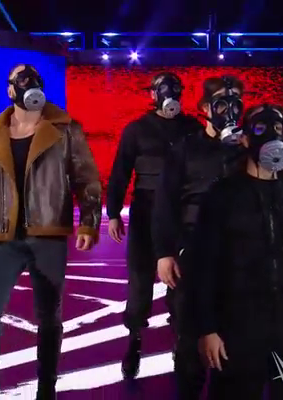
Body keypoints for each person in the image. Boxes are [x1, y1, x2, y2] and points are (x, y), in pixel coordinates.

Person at [0, 63, 102, 399]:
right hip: (3, 236)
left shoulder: (65, 128)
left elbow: (86, 177)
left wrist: (89, 221)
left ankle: (46, 386)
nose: (29, 84)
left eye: (33, 78)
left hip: (48, 232)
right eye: (21, 79)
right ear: (10, 89)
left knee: (48, 316)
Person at [190, 104, 283, 399]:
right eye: (260, 130)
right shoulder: (222, 196)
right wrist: (206, 328)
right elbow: (203, 267)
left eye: (278, 130)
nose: (271, 137)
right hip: (238, 325)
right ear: (245, 139)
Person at [151, 75, 246, 398]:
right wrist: (164, 253)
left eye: (235, 103)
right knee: (190, 349)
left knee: (234, 349)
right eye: (221, 103)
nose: (229, 110)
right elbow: (164, 203)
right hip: (192, 258)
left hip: (238, 262)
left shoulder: (248, 152)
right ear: (205, 108)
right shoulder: (184, 150)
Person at [104, 72, 203, 379]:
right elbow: (120, 171)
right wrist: (114, 212)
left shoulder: (193, 128)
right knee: (139, 281)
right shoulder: (136, 130)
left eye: (174, 89)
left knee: (182, 282)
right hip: (145, 212)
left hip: (182, 213)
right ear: (152, 95)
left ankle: (181, 343)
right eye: (162, 89)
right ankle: (134, 340)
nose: (169, 93)